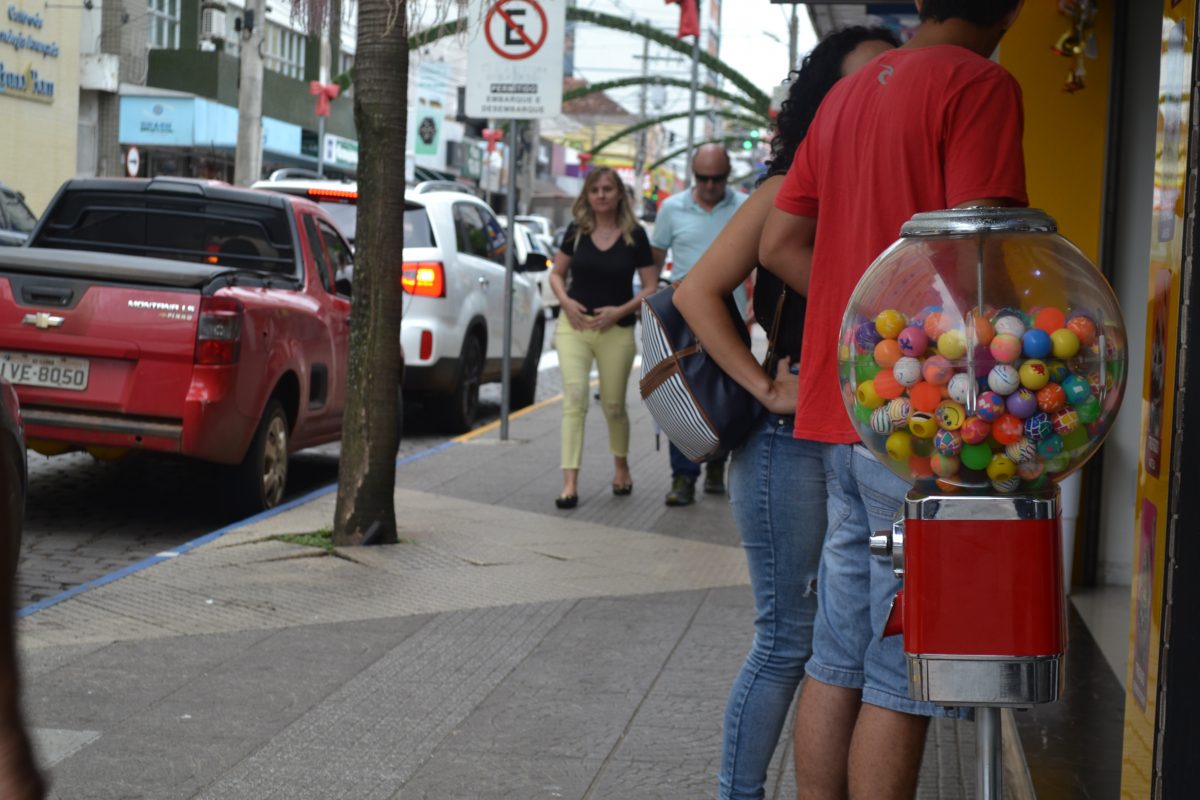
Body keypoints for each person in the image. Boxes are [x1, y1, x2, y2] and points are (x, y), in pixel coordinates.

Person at [759, 2, 1028, 797]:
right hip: (927, 424)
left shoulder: (847, 95)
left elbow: (779, 243)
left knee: (836, 655)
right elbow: (982, 252)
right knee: (901, 670)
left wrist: (869, 331)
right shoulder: (979, 85)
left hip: (844, 413)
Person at [674, 27, 899, 800]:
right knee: (786, 641)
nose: (882, 89)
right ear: (824, 98)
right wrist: (768, 386)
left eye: (890, 75)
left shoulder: (874, 184)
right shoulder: (788, 189)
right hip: (786, 443)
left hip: (851, 441)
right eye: (863, 78)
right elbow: (693, 292)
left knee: (838, 646)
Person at [549, 166, 659, 509]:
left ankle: (621, 467)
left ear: (618, 194)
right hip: (576, 328)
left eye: (607, 189)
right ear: (587, 195)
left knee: (613, 404)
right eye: (594, 189)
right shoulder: (576, 232)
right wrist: (566, 302)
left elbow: (652, 286)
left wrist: (621, 311)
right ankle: (569, 482)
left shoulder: (635, 235)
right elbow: (557, 274)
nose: (601, 195)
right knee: (575, 399)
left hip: (617, 330)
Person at [651, 145, 747, 505]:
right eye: (703, 178)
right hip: (683, 319)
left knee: (723, 397)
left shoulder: (743, 207)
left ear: (727, 175)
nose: (709, 186)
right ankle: (682, 476)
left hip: (730, 317)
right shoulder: (671, 208)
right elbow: (655, 262)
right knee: (682, 398)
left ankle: (716, 466)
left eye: (717, 179)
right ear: (694, 175)